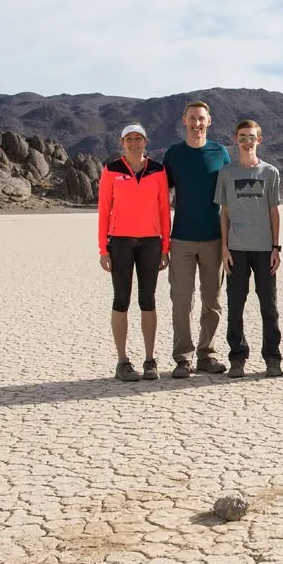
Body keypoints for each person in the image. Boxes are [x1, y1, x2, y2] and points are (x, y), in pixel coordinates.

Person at [163, 100, 231, 378]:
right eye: (192, 118)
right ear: (184, 121)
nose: (196, 123)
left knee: (212, 300)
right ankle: (183, 358)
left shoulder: (220, 153)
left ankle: (207, 354)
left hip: (213, 237)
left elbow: (228, 198)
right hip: (181, 238)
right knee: (181, 300)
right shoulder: (174, 155)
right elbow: (162, 198)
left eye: (201, 118)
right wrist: (161, 239)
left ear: (209, 121)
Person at [97, 123, 170, 382]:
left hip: (150, 242)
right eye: (130, 139)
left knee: (147, 300)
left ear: (146, 141)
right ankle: (122, 362)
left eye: (139, 138)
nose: (134, 143)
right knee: (121, 301)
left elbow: (164, 210)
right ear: (122, 143)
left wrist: (165, 246)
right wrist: (103, 248)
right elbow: (104, 209)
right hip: (120, 243)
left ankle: (150, 360)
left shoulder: (158, 170)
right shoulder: (111, 170)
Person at [215, 120, 283, 379]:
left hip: (264, 249)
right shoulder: (227, 173)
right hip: (237, 249)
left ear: (259, 140)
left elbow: (273, 211)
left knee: (269, 306)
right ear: (235, 139)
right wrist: (224, 247)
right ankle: (238, 357)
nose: (247, 141)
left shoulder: (270, 173)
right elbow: (225, 212)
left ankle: (272, 357)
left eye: (251, 137)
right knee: (235, 305)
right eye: (242, 137)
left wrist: (276, 247)